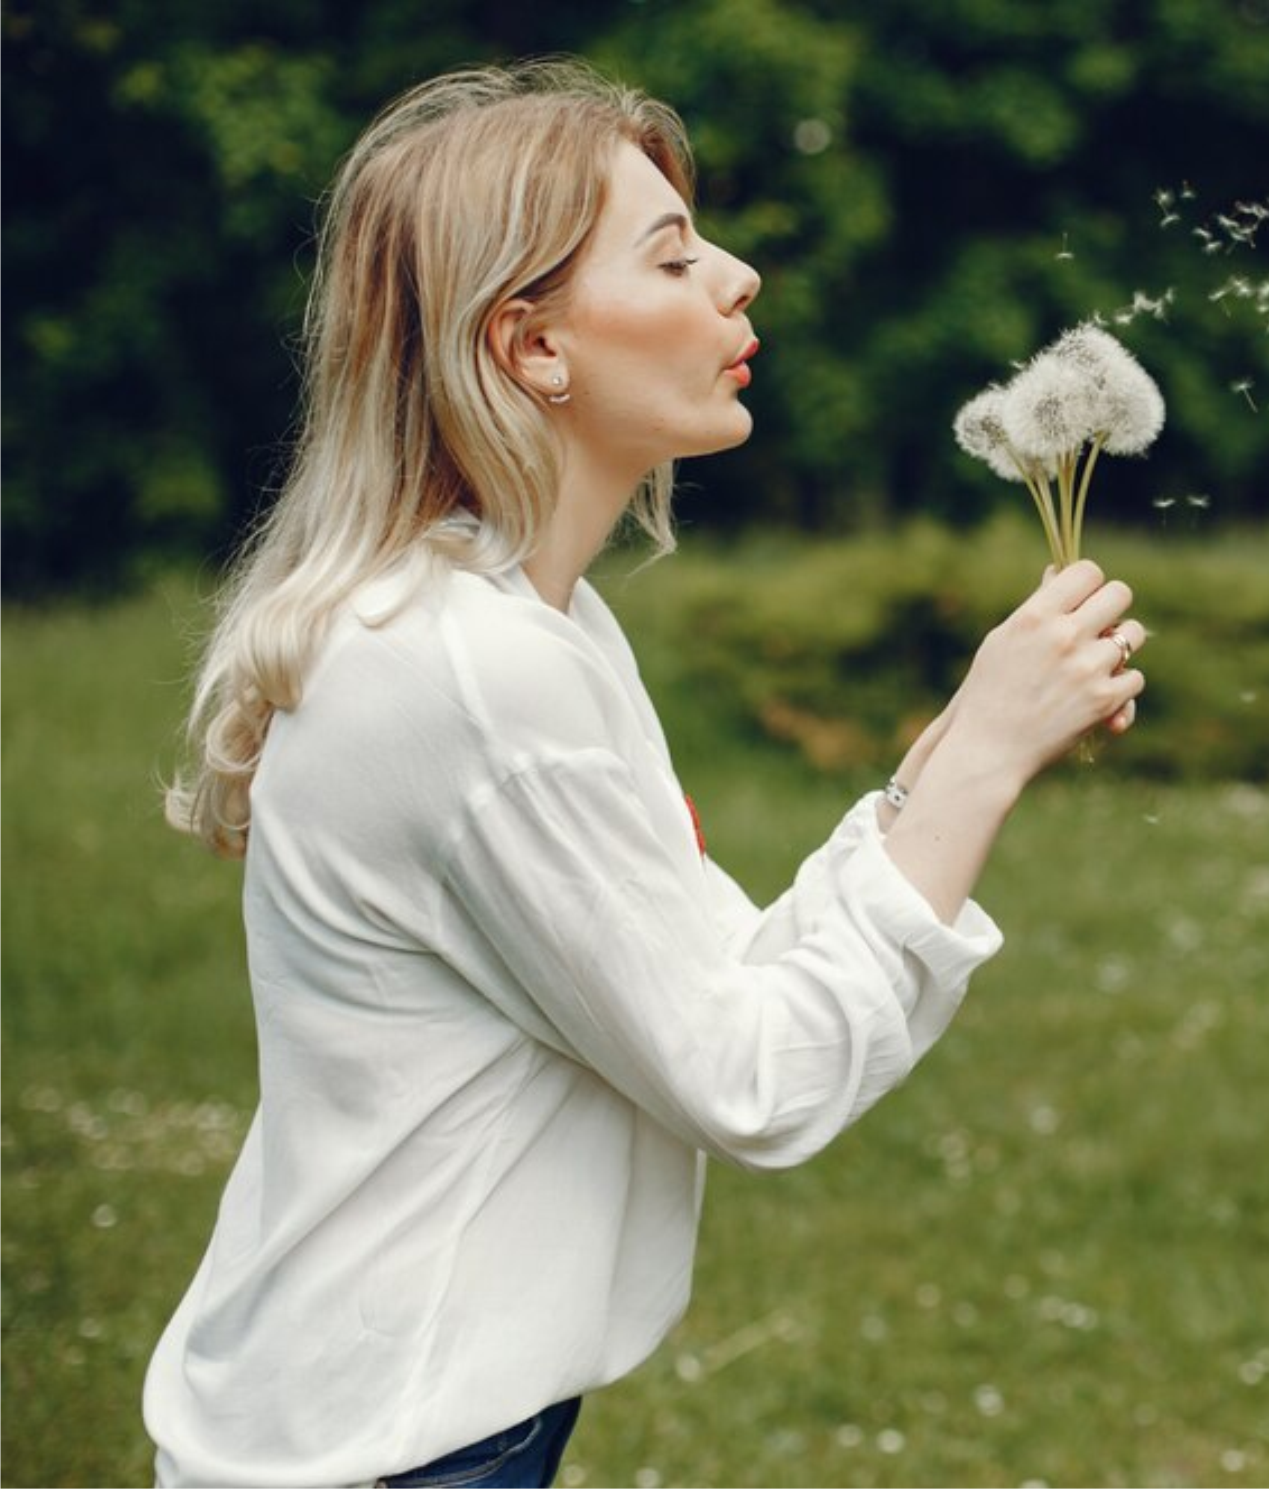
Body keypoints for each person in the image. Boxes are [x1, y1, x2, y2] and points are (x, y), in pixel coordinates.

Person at [147, 59, 1147, 1489]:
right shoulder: (473, 675)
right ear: (532, 346)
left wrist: (936, 774)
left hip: (386, 1423)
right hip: (381, 1450)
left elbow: (707, 976)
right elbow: (752, 1081)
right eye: (672, 255)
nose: (737, 278)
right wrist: (979, 757)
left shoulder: (525, 624)